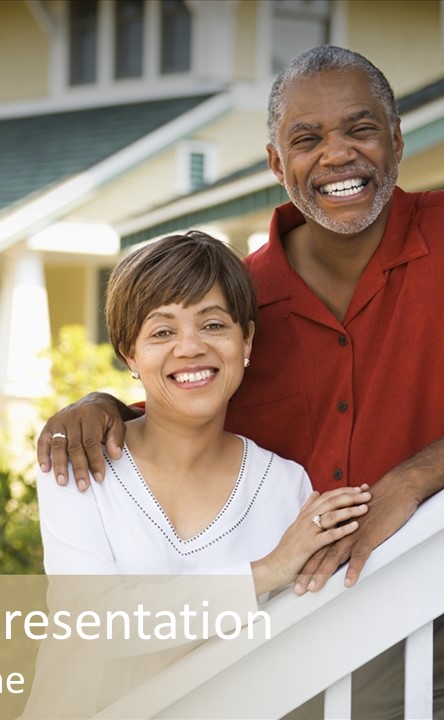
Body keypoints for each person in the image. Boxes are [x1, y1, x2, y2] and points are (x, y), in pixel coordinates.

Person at [37, 46, 444, 718]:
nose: (337, 155)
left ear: (397, 139)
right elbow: (188, 392)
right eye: (307, 139)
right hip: (282, 626)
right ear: (275, 163)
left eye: (360, 129)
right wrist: (106, 406)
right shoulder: (242, 296)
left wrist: (405, 486)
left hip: (420, 593)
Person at [26, 231, 371, 718]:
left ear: (245, 339)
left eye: (213, 325)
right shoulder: (79, 465)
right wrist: (267, 570)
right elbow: (101, 623)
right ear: (129, 352)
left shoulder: (285, 488)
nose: (190, 348)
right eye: (162, 331)